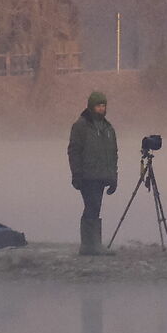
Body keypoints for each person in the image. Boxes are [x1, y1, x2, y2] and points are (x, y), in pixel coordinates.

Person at [67, 90, 118, 256]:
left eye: (103, 105)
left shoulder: (108, 128)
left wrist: (113, 177)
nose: (102, 109)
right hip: (87, 175)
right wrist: (76, 175)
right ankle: (90, 245)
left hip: (102, 175)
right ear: (91, 107)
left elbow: (113, 154)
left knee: (96, 207)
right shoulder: (80, 126)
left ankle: (93, 244)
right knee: (92, 206)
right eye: (98, 105)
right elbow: (74, 151)